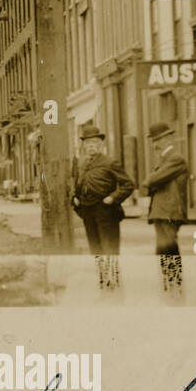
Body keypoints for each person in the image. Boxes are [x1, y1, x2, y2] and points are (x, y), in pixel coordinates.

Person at [71, 121, 135, 293]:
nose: (91, 147)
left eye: (95, 143)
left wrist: (113, 198)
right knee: (95, 249)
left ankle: (114, 286)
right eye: (88, 143)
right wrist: (75, 198)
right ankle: (104, 285)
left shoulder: (110, 162)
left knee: (109, 248)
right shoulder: (82, 165)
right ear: (83, 146)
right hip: (88, 212)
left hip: (106, 212)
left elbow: (128, 185)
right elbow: (78, 185)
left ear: (100, 145)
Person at [143, 122, 188, 301]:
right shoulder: (165, 158)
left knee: (168, 247)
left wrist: (148, 182)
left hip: (170, 211)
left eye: (158, 139)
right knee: (163, 248)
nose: (155, 144)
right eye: (154, 140)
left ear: (169, 138)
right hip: (162, 211)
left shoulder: (175, 158)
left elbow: (154, 179)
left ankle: (174, 286)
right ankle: (170, 286)